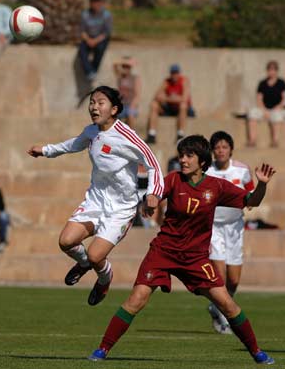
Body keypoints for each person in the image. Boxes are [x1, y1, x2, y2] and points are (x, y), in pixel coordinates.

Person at [88, 135, 275, 365]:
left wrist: (262, 184)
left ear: (202, 161)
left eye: (189, 156)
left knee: (227, 304)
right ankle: (102, 349)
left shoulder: (216, 186)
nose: (183, 160)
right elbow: (155, 192)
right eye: (182, 155)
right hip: (163, 252)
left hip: (195, 258)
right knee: (136, 299)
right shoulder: (174, 180)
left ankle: (257, 352)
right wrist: (150, 201)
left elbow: (252, 201)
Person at [28, 85, 164, 306]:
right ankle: (83, 265)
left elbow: (153, 164)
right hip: (95, 201)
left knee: (95, 256)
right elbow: (73, 144)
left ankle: (104, 278)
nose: (94, 107)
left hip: (121, 208)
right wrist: (46, 150)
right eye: (92, 102)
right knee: (66, 242)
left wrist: (154, 194)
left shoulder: (126, 135)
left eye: (100, 103)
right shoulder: (91, 131)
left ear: (114, 109)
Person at [206, 131, 254, 334]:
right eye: (217, 147)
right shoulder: (207, 171)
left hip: (235, 228)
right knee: (220, 275)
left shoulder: (242, 170)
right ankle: (225, 316)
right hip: (213, 228)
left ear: (231, 149)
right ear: (212, 151)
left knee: (233, 280)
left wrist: (251, 200)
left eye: (224, 147)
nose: (220, 151)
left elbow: (251, 194)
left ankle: (217, 306)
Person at [145, 64, 194, 144]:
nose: (174, 75)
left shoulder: (184, 81)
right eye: (173, 73)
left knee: (183, 105)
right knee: (154, 104)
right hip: (170, 108)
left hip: (182, 109)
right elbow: (157, 96)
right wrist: (173, 98)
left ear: (179, 73)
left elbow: (184, 99)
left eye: (176, 73)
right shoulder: (167, 81)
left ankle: (180, 135)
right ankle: (152, 134)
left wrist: (167, 98)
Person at [247, 60, 285, 148]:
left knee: (277, 116)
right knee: (252, 112)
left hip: (277, 109)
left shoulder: (281, 83)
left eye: (273, 70)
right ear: (267, 71)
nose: (271, 72)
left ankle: (275, 141)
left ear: (276, 71)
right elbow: (259, 99)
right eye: (269, 70)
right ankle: (252, 140)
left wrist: (277, 107)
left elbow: (284, 99)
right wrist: (264, 111)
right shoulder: (262, 83)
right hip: (264, 109)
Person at [79, 0, 112, 81]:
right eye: (94, 1)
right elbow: (82, 31)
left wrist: (95, 41)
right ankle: (89, 72)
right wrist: (88, 40)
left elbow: (107, 32)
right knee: (82, 51)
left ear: (101, 3)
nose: (96, 4)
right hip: (88, 38)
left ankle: (94, 69)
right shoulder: (85, 14)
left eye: (98, 1)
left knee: (100, 49)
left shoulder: (106, 15)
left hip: (100, 38)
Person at [113, 56, 141, 130]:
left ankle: (132, 136)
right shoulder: (120, 76)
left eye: (127, 66)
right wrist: (125, 61)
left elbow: (137, 95)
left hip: (131, 105)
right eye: (124, 66)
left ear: (130, 67)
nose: (125, 68)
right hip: (121, 105)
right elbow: (114, 64)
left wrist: (133, 105)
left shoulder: (135, 78)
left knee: (130, 113)